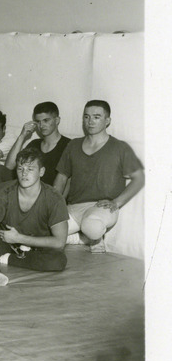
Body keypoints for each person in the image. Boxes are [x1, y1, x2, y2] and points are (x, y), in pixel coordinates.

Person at [0, 147, 69, 286]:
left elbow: (59, 242)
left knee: (58, 261)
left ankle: (5, 259)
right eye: (20, 169)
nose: (24, 173)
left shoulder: (54, 198)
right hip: (7, 242)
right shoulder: (2, 191)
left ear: (41, 171)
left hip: (36, 246)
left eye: (30, 169)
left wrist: (19, 238)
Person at [53, 100, 144, 251]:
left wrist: (117, 202)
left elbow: (139, 178)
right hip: (74, 207)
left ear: (107, 121)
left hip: (101, 208)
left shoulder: (120, 147)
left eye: (96, 117)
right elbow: (62, 177)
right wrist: (52, 204)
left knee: (92, 227)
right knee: (44, 228)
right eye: (86, 117)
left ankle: (91, 236)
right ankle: (80, 239)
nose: (90, 121)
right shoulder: (74, 145)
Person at [3, 101, 70, 187]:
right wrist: (22, 136)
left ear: (57, 120)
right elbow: (9, 166)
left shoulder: (69, 144)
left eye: (46, 120)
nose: (41, 125)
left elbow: (70, 181)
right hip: (30, 194)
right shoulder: (34, 144)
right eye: (38, 121)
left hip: (53, 196)